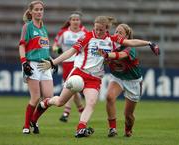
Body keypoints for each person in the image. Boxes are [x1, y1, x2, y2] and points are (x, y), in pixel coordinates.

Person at [37, 16, 159, 138]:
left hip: (97, 78)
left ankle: (81, 128)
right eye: (96, 29)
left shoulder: (112, 40)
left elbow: (130, 44)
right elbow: (71, 52)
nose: (98, 32)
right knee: (60, 102)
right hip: (80, 73)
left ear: (106, 29)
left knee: (91, 103)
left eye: (101, 30)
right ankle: (46, 102)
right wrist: (53, 62)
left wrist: (149, 43)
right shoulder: (87, 36)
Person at [97, 23, 159, 137]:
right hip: (118, 78)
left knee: (128, 115)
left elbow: (121, 55)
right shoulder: (109, 44)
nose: (117, 34)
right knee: (109, 97)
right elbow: (106, 60)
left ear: (126, 37)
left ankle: (128, 129)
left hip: (133, 81)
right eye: (116, 31)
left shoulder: (130, 48)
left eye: (120, 33)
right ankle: (112, 129)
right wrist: (104, 58)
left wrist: (107, 55)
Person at [19, 0, 54, 134]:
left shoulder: (43, 28)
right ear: (31, 11)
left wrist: (51, 61)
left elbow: (44, 48)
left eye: (41, 9)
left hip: (44, 65)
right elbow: (22, 45)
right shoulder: (27, 27)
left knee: (48, 98)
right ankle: (26, 126)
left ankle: (33, 120)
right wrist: (24, 62)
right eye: (37, 9)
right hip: (32, 64)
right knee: (35, 97)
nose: (39, 12)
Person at [52, 11, 86, 122]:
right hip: (66, 62)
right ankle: (81, 110)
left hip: (79, 63)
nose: (76, 22)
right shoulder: (64, 32)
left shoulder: (84, 32)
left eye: (77, 20)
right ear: (70, 21)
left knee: (71, 85)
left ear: (80, 21)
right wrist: (59, 50)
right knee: (73, 88)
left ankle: (66, 112)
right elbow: (54, 46)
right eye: (73, 19)